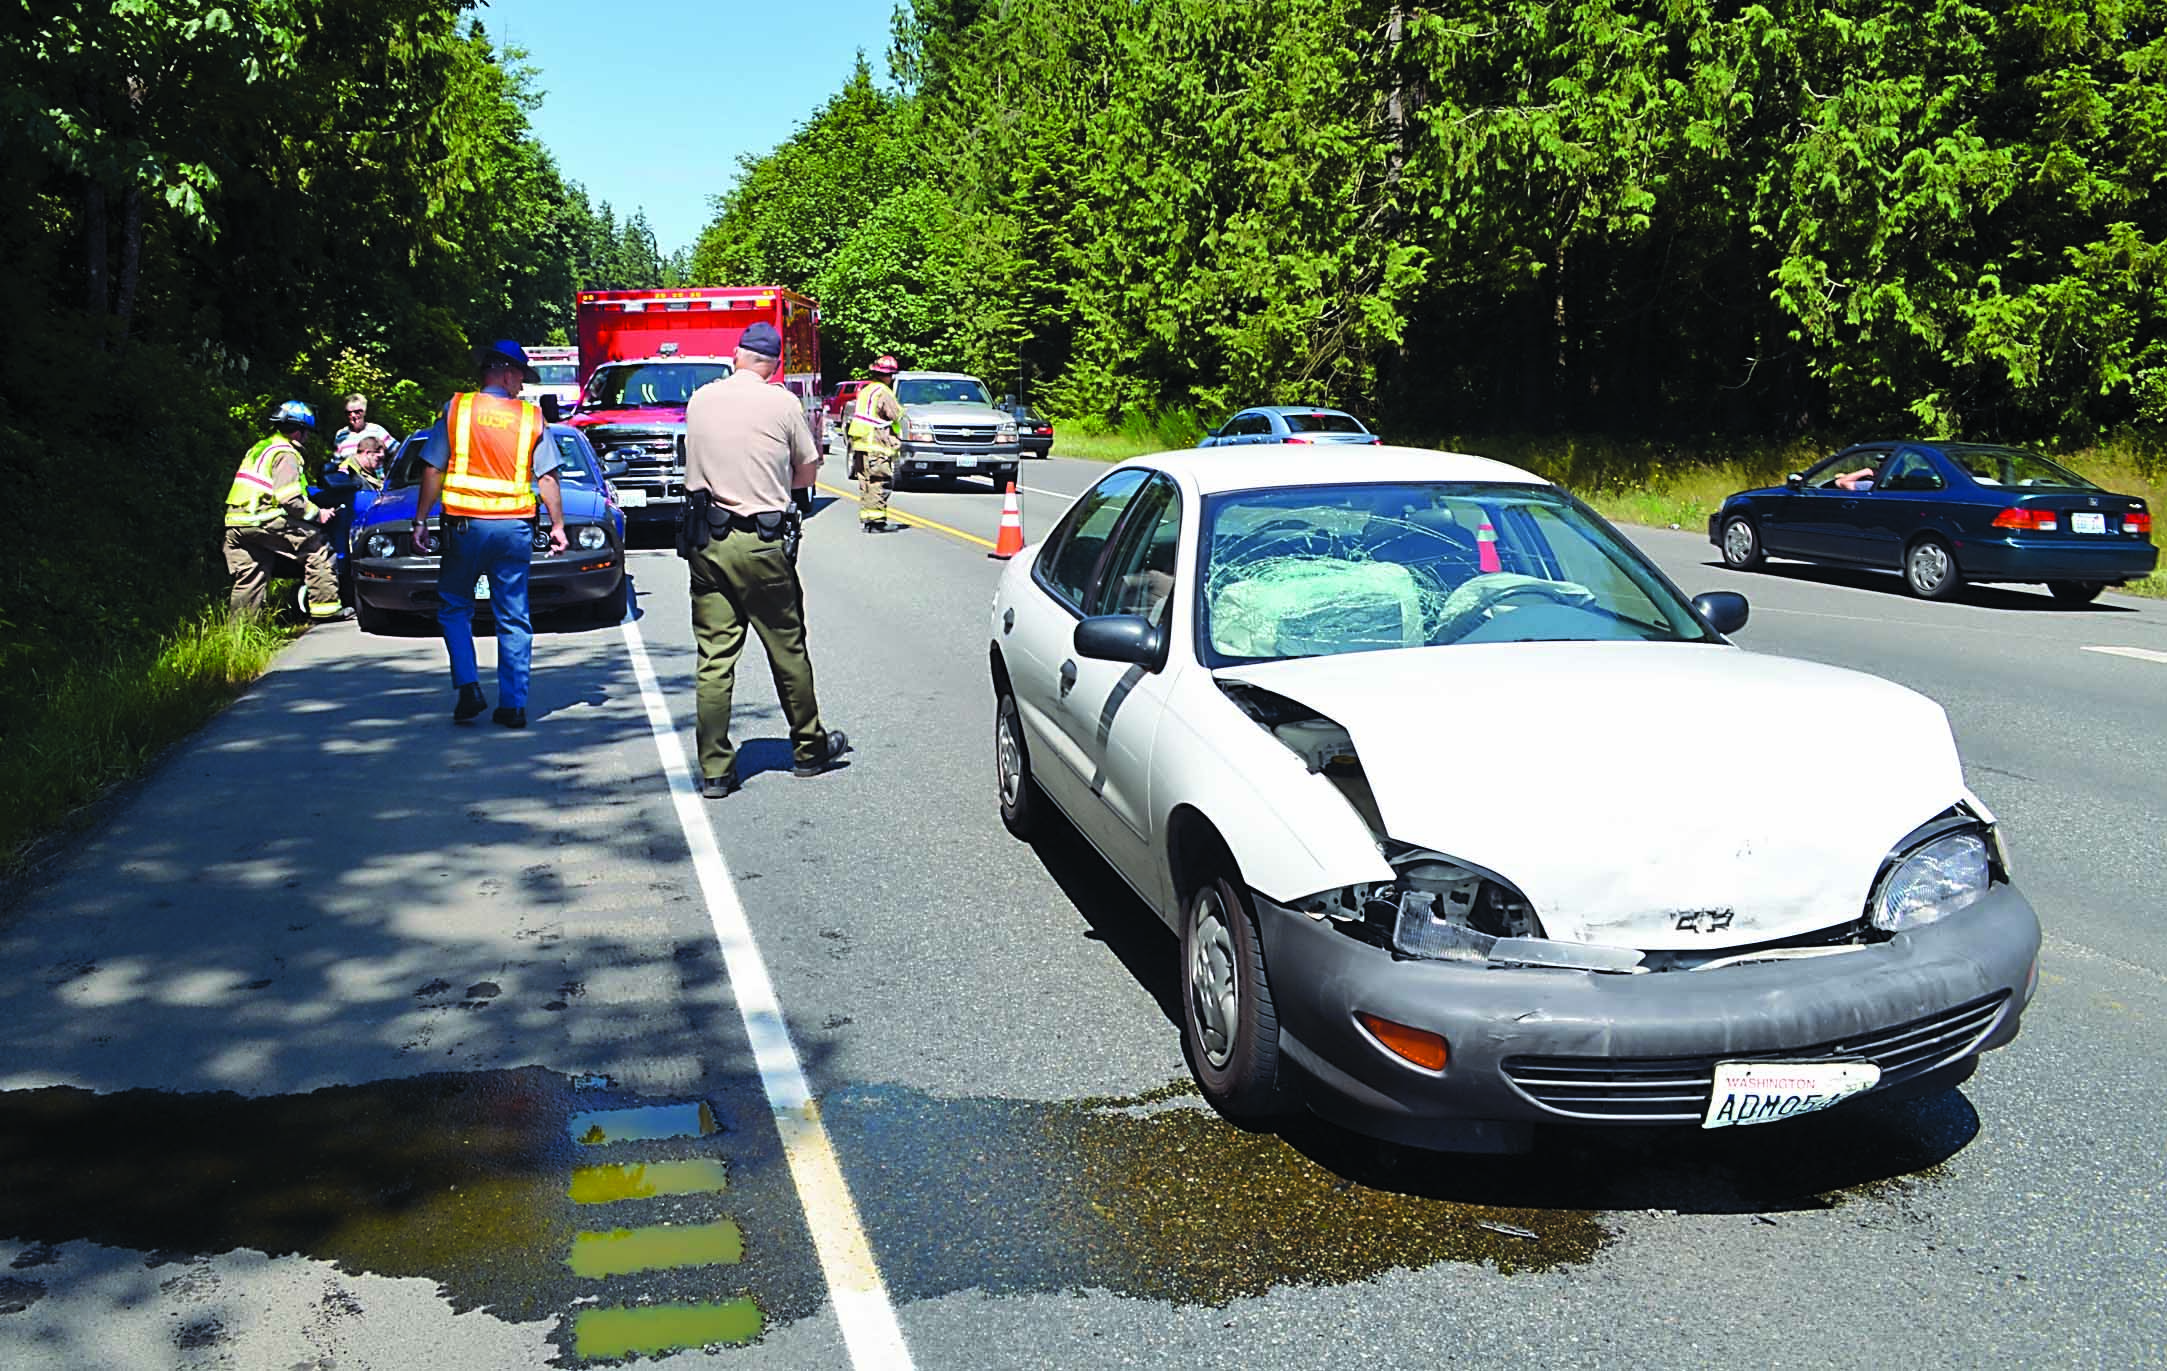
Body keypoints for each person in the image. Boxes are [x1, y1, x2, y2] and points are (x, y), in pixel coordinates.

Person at [680, 319, 850, 798]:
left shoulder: (701, 399)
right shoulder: (782, 403)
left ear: (736, 356)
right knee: (786, 648)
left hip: (707, 542)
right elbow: (807, 470)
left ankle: (715, 769)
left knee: (714, 658)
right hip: (761, 541)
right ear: (774, 366)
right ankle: (809, 749)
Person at [410, 341, 567, 729]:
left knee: (454, 607)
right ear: (508, 373)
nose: (521, 387)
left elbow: (432, 468)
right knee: (513, 615)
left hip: (466, 528)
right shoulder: (530, 418)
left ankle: (468, 687)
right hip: (513, 529)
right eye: (521, 378)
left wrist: (420, 520)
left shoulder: (458, 409)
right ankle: (513, 706)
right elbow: (547, 477)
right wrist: (558, 526)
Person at [223, 400, 344, 620]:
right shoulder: (286, 454)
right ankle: (326, 610)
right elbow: (290, 500)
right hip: (263, 519)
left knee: (252, 574)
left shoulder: (261, 447)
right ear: (298, 431)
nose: (307, 437)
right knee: (317, 547)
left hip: (237, 523)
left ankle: (239, 631)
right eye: (307, 432)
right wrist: (319, 514)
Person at [846, 354, 903, 533]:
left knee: (866, 483)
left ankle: (868, 520)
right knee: (879, 481)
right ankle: (877, 522)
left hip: (860, 444)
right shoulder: (884, 392)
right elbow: (895, 414)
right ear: (889, 376)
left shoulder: (866, 390)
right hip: (876, 444)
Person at [333, 393, 394, 470]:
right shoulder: (341, 435)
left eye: (357, 412)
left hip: (374, 476)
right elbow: (336, 461)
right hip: (347, 476)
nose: (353, 415)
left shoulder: (377, 430)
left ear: (364, 412)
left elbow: (397, 452)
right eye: (349, 413)